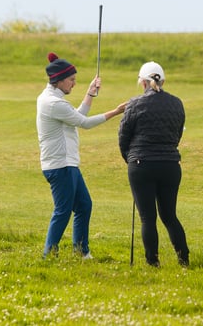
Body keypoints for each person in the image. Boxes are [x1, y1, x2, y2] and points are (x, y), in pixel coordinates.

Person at [36, 52, 126, 259]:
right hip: (60, 165)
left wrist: (90, 94)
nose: (74, 84)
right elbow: (83, 123)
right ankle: (49, 254)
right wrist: (116, 111)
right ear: (58, 80)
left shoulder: (54, 99)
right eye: (71, 80)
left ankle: (81, 251)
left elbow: (77, 117)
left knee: (84, 205)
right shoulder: (53, 103)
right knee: (63, 211)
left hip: (68, 164)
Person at [118, 61, 190, 267]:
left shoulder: (134, 104)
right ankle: (184, 258)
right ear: (163, 81)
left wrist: (129, 158)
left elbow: (123, 136)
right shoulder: (177, 103)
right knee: (169, 216)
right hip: (170, 164)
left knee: (147, 218)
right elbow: (177, 135)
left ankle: (152, 261)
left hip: (141, 164)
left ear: (142, 82)